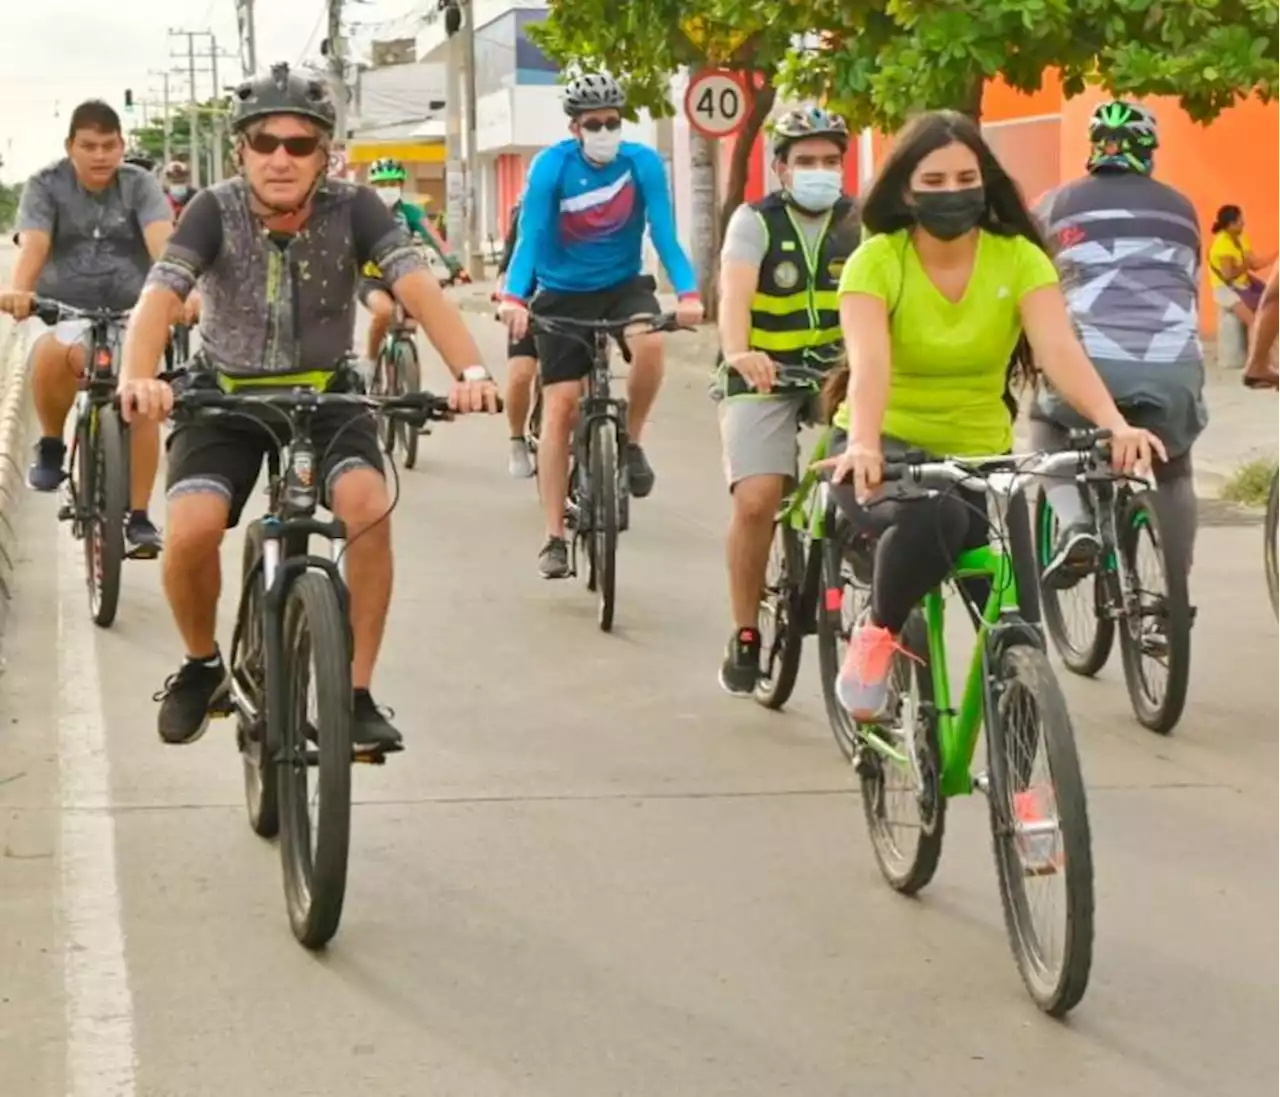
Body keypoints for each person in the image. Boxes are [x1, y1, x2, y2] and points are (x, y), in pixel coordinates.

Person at [114, 63, 500, 752]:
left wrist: (470, 369)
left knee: (367, 507)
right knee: (193, 529)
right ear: (242, 150)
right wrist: (140, 376)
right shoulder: (213, 209)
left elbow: (417, 286)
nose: (281, 158)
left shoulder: (357, 208)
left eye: (300, 144)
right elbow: (160, 295)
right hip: (225, 397)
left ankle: (354, 694)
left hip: (328, 394)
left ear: (326, 153)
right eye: (265, 142)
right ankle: (202, 666)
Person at [820, 109, 1164, 721]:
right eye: (934, 182)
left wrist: (1116, 424)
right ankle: (874, 640)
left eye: (965, 178)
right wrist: (866, 442)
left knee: (1021, 640)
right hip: (883, 455)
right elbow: (870, 365)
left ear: (985, 182)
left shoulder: (1019, 260)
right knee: (936, 519)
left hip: (982, 460)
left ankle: (1031, 800)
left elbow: (1059, 350)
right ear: (905, 189)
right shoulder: (877, 261)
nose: (953, 193)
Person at [498, 72, 704, 579]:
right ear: (575, 127)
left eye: (614, 121)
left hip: (621, 285)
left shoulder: (642, 164)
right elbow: (531, 236)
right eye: (595, 124)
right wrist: (513, 296)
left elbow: (666, 235)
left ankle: (631, 443)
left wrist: (689, 293)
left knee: (652, 345)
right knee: (562, 406)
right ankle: (553, 536)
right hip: (561, 291)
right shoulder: (551, 167)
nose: (606, 131)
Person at [713, 105, 860, 695]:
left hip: (839, 373)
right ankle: (746, 630)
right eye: (806, 162)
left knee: (875, 476)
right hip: (765, 372)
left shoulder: (862, 223)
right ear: (781, 168)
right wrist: (738, 351)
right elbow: (734, 297)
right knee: (757, 500)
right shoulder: (754, 222)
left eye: (830, 161)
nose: (820, 171)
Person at [1032, 99, 1207, 587]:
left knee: (1046, 424)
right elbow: (1189, 281)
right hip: (1174, 364)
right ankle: (1171, 592)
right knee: (1174, 466)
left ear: (1094, 147)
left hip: (1092, 360)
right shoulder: (1182, 207)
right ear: (1150, 150)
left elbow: (1032, 284)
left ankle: (1076, 527)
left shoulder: (1054, 204)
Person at [0, 99, 172, 555]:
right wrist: (20, 291)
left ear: (122, 146)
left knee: (143, 394)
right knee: (53, 355)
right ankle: (53, 444)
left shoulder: (141, 186)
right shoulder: (45, 185)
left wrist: (182, 288)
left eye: (109, 145)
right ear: (70, 147)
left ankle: (138, 516)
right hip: (65, 309)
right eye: (89, 146)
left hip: (133, 313)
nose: (100, 156)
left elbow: (163, 243)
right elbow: (34, 244)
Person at [358, 157, 465, 365]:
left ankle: (403, 365)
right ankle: (369, 363)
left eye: (392, 184)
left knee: (416, 316)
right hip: (372, 279)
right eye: (382, 185)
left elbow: (435, 239)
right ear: (373, 187)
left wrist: (456, 267)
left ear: (401, 185)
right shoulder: (364, 214)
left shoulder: (412, 213)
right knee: (384, 312)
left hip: (405, 276)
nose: (387, 189)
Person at [495, 197, 539, 478]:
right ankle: (517, 440)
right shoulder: (526, 210)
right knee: (521, 374)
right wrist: (504, 298)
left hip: (575, 302)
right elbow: (506, 265)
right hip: (527, 301)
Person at [1208, 203, 1277, 381]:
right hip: (1226, 290)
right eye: (1239, 222)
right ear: (1230, 225)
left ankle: (1266, 359)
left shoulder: (1240, 237)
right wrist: (1246, 265)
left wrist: (1276, 255)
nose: (1243, 224)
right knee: (1253, 321)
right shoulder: (1222, 244)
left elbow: (1255, 264)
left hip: (1244, 286)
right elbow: (1228, 275)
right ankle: (1256, 364)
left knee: (1270, 307)